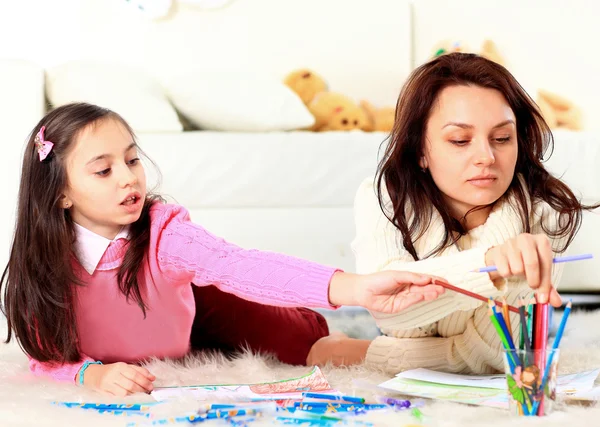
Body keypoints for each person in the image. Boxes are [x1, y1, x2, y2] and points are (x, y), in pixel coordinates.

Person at [0, 102, 444, 396]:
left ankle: (433, 356)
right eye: (104, 170)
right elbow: (46, 359)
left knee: (304, 341)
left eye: (132, 160)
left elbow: (241, 266)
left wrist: (356, 288)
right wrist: (90, 373)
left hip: (201, 301)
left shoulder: (163, 233)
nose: (129, 178)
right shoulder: (45, 271)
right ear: (60, 195)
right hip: (174, 334)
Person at [305, 52, 598, 374]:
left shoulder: (544, 213)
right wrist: (490, 265)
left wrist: (364, 353)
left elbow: (494, 357)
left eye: (502, 138)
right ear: (420, 151)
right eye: (460, 140)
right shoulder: (385, 196)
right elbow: (392, 311)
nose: (486, 157)